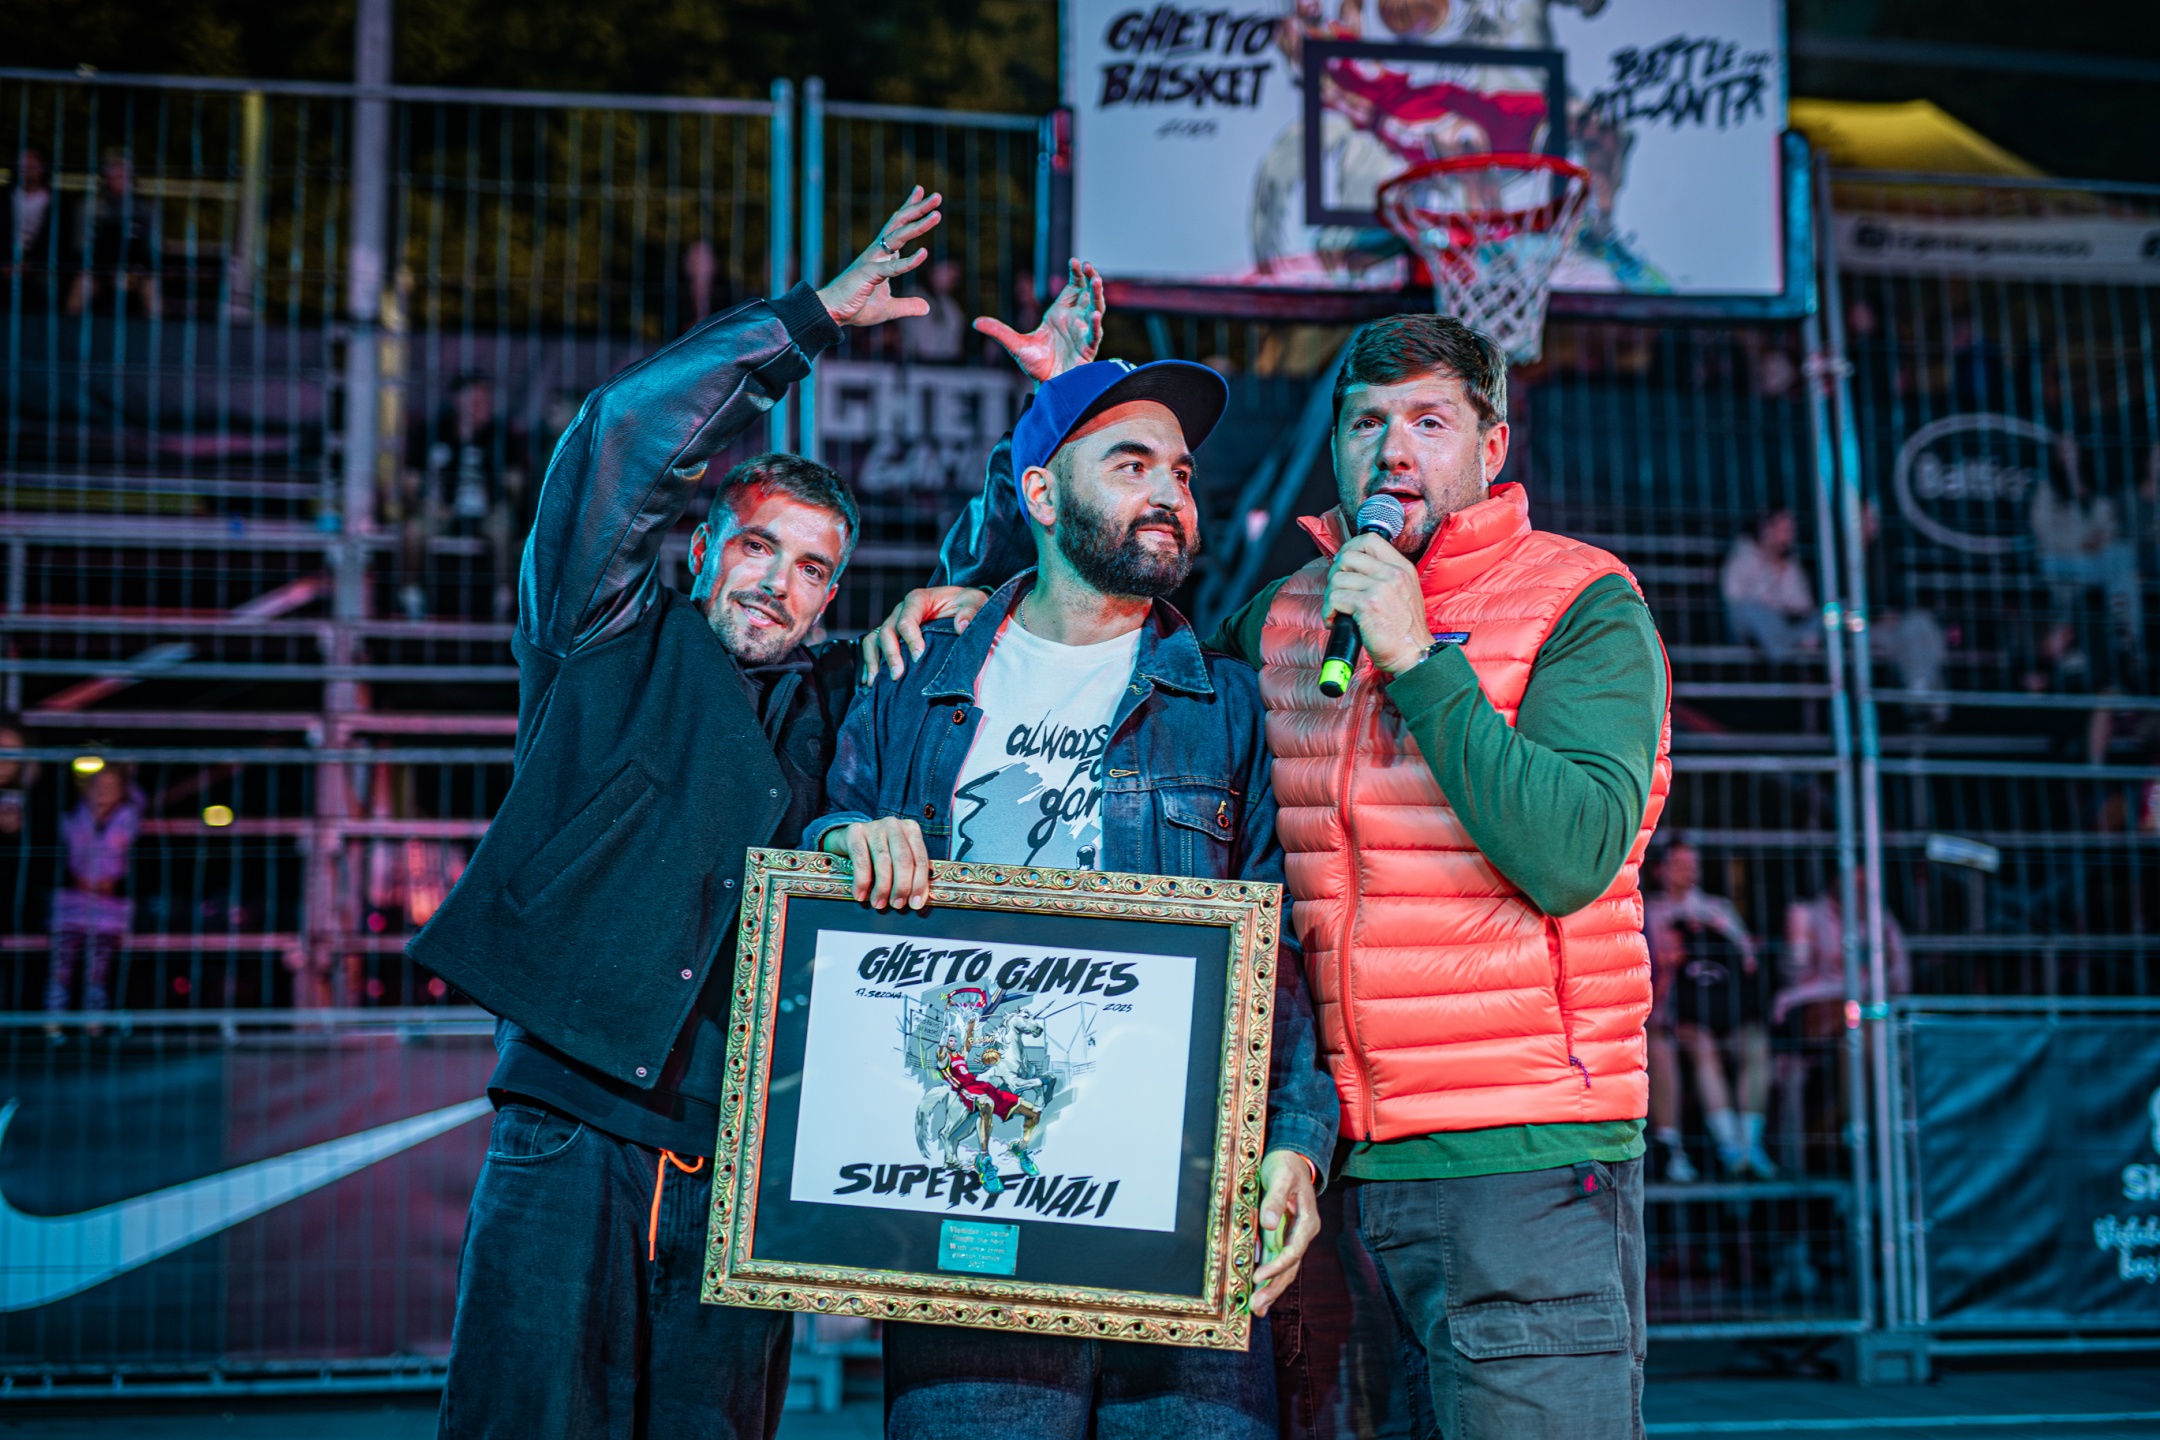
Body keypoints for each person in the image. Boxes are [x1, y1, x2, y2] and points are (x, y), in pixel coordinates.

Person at [897, 306, 1671, 1440]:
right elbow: (1098, 642)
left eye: (1430, 422)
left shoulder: (1581, 601)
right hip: (1326, 1174)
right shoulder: (1287, 618)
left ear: (1492, 446)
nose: (1393, 451)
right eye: (1366, 422)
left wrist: (1415, 656)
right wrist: (989, 591)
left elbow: (1569, 858)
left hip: (1516, 1158)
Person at [408, 186, 945, 1440]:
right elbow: (617, 436)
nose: (779, 584)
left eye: (813, 570)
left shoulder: (839, 698)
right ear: (701, 547)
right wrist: (806, 324)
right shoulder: (602, 638)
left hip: (741, 1170)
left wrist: (1006, 504)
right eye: (759, 547)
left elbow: (979, 623)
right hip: (570, 1132)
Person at [809, 275, 1338, 1439]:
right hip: (972, 1216)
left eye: (1181, 473)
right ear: (1040, 495)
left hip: (1181, 1211)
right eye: (1131, 465)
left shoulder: (1227, 707)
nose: (1168, 495)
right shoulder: (914, 678)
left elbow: (1286, 953)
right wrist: (845, 844)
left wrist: (1298, 1142)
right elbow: (818, 861)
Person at [1645, 841, 1774, 1182]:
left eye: (1693, 862)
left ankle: (1749, 1143)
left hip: (1725, 1010)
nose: (1689, 869)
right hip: (1673, 1014)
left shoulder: (1719, 909)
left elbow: (1747, 961)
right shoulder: (1648, 911)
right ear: (1659, 869)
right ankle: (1728, 1145)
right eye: (1680, 863)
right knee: (1701, 1046)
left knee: (1756, 1044)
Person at [401, 372, 527, 622]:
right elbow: (410, 481)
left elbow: (517, 483)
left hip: (489, 510)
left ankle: (504, 598)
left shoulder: (502, 434)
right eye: (476, 399)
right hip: (442, 509)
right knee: (413, 532)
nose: (482, 405)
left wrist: (504, 497)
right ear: (458, 400)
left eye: (486, 399)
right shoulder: (434, 431)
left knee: (503, 529)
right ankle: (411, 597)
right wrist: (425, 503)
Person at [2031, 434, 2143, 685]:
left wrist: (2101, 539)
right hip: (2058, 560)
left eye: (2072, 448)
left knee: (2122, 556)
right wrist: (2081, 544)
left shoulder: (2093, 486)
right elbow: (2043, 533)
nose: (2068, 454)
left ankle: (2126, 636)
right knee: (2116, 569)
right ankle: (2106, 636)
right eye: (2063, 449)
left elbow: (2110, 526)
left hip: (2091, 563)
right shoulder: (2046, 489)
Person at [46, 761, 142, 1036]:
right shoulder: (72, 818)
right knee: (62, 961)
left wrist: (131, 771)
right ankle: (53, 1019)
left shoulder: (128, 818)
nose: (103, 793)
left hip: (108, 907)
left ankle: (93, 1021)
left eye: (112, 786)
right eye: (98, 786)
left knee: (98, 966)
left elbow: (140, 802)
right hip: (72, 902)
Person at [65, 149, 160, 320]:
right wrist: (105, 271)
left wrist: (131, 271)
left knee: (151, 290)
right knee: (79, 289)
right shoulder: (87, 208)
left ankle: (157, 331)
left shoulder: (146, 210)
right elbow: (80, 247)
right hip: (96, 271)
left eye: (123, 173)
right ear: (105, 176)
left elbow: (152, 248)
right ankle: (69, 330)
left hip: (134, 271)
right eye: (113, 172)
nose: (118, 177)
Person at [1721, 508, 1817, 662]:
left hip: (1785, 623)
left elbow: (1803, 604)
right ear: (1767, 530)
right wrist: (1768, 578)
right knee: (1752, 609)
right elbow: (1733, 596)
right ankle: (1782, 648)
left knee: (1831, 613)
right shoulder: (1744, 555)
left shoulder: (1790, 565)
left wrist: (1781, 573)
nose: (1790, 535)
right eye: (1784, 529)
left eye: (1791, 529)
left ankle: (1791, 644)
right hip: (1751, 625)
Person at [5, 147, 55, 275]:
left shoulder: (55, 203)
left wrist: (31, 264)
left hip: (39, 268)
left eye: (34, 162)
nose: (28, 167)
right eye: (25, 162)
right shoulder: (5, 198)